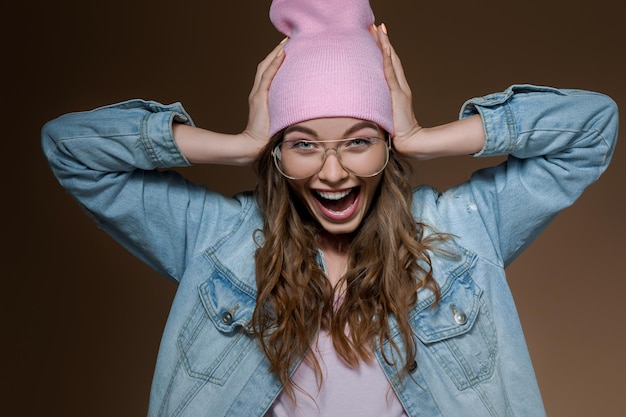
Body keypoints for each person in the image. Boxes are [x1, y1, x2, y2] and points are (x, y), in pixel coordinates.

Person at [41, 0, 618, 416]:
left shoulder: (462, 230)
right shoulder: (215, 239)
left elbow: (592, 127)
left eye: (360, 141)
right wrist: (237, 144)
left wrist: (420, 133)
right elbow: (70, 147)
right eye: (304, 144)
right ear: (278, 152)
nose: (334, 172)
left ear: (386, 148)